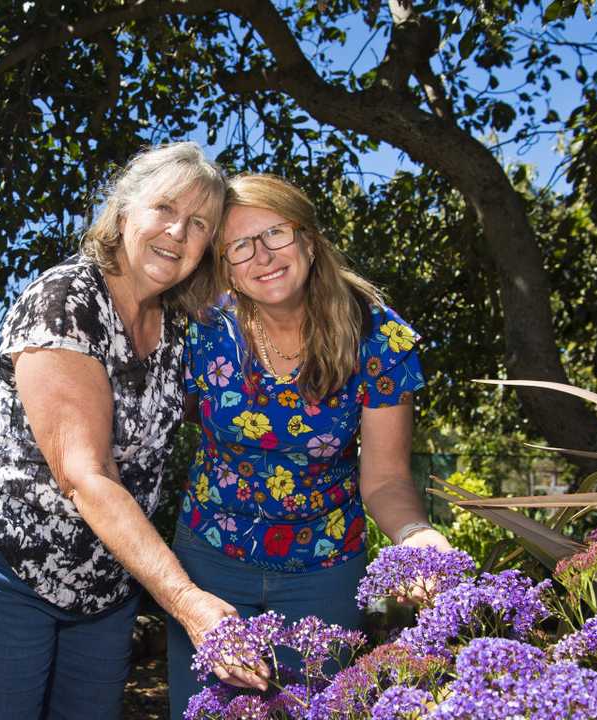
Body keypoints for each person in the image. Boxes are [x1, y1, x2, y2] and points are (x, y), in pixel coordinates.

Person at [0, 142, 261, 720]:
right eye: (164, 209)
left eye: (199, 223)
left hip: (105, 582)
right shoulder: (65, 300)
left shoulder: (180, 326)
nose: (178, 233)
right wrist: (186, 601)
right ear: (124, 212)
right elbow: (85, 474)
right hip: (2, 557)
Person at [167, 173, 454, 718]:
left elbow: (387, 478)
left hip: (325, 569)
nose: (262, 256)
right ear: (224, 266)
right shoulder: (202, 331)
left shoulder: (376, 335)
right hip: (209, 563)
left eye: (275, 234)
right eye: (239, 247)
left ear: (308, 238)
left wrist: (418, 538)